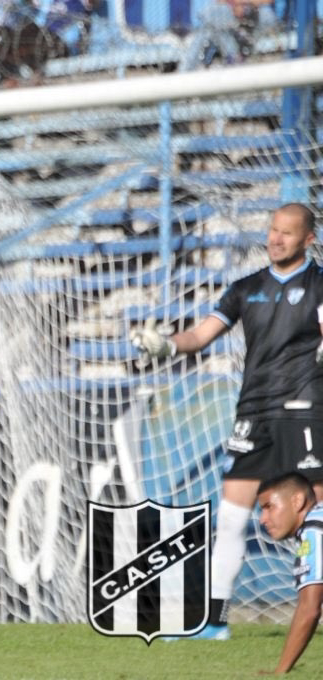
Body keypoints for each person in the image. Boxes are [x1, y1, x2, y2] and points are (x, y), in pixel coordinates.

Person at [132, 202, 323, 641]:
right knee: (232, 520)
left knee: (318, 517)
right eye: (273, 230)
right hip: (253, 414)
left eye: (287, 233)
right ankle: (215, 623)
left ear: (308, 239)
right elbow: (201, 335)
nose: (276, 239)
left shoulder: (319, 284)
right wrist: (165, 345)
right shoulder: (245, 288)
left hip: (304, 412)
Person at [256, 472, 322, 674]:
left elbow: (309, 610)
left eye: (269, 507)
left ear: (297, 501)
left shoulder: (314, 531)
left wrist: (280, 671)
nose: (262, 519)